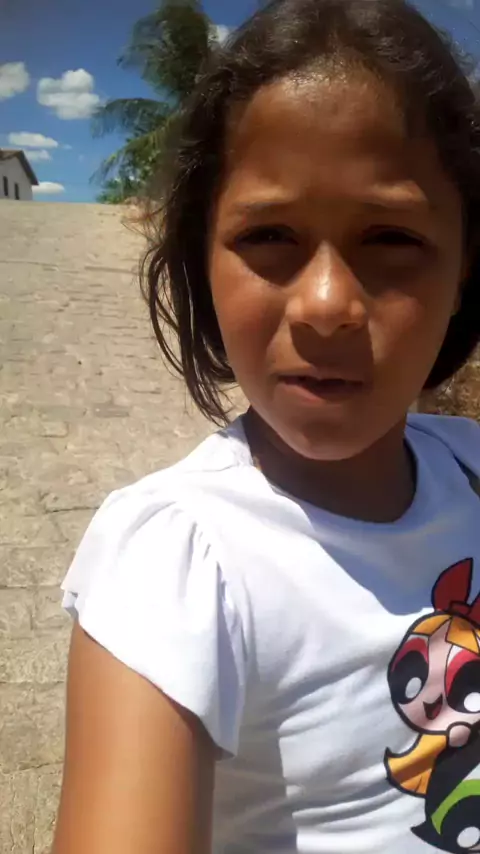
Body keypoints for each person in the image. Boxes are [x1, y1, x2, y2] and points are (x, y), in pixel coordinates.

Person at [52, 1, 480, 852]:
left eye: (390, 237)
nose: (325, 305)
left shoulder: (470, 467)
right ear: (199, 261)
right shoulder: (180, 562)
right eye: (270, 235)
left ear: (466, 266)